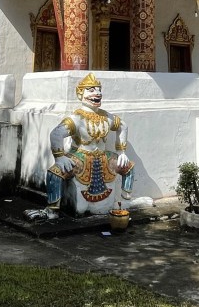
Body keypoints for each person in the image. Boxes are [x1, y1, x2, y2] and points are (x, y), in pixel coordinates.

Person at [45, 72, 134, 214]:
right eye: (91, 90)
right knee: (54, 173)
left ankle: (125, 199)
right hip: (80, 157)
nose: (97, 93)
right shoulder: (77, 118)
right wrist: (60, 157)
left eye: (99, 90)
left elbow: (123, 126)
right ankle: (52, 210)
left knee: (128, 167)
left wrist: (121, 152)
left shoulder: (106, 116)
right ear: (80, 94)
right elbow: (56, 134)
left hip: (103, 157)